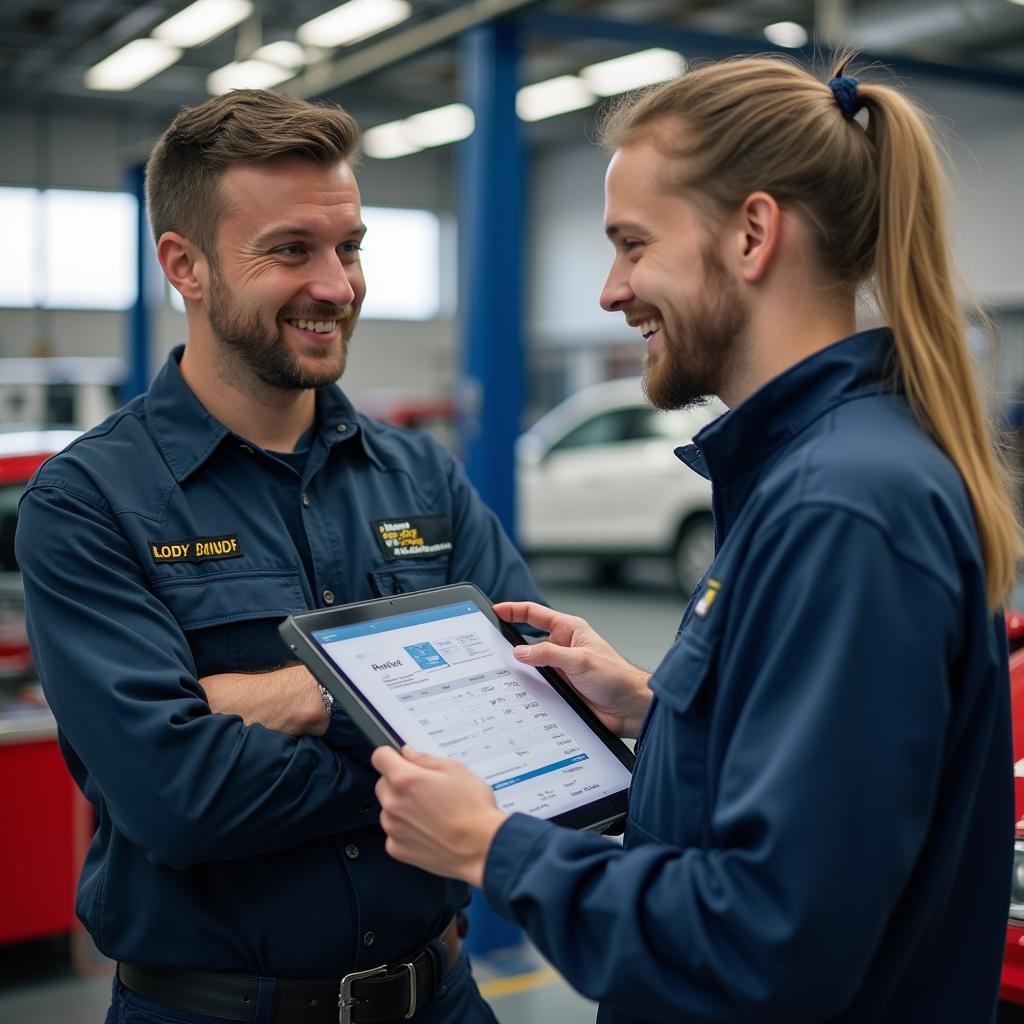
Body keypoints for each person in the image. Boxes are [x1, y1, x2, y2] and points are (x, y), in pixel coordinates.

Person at [372, 54, 1021, 1023]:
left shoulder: (839, 509)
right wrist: (657, 707)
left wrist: (488, 843)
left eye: (632, 244)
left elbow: (765, 941)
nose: (609, 290)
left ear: (753, 234)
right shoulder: (814, 475)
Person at [15, 89, 543, 1024]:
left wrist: (271, 700)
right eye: (292, 250)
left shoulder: (422, 476)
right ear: (186, 265)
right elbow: (175, 799)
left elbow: (532, 714)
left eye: (351, 248)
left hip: (443, 999)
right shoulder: (88, 502)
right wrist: (420, 723)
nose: (337, 285)